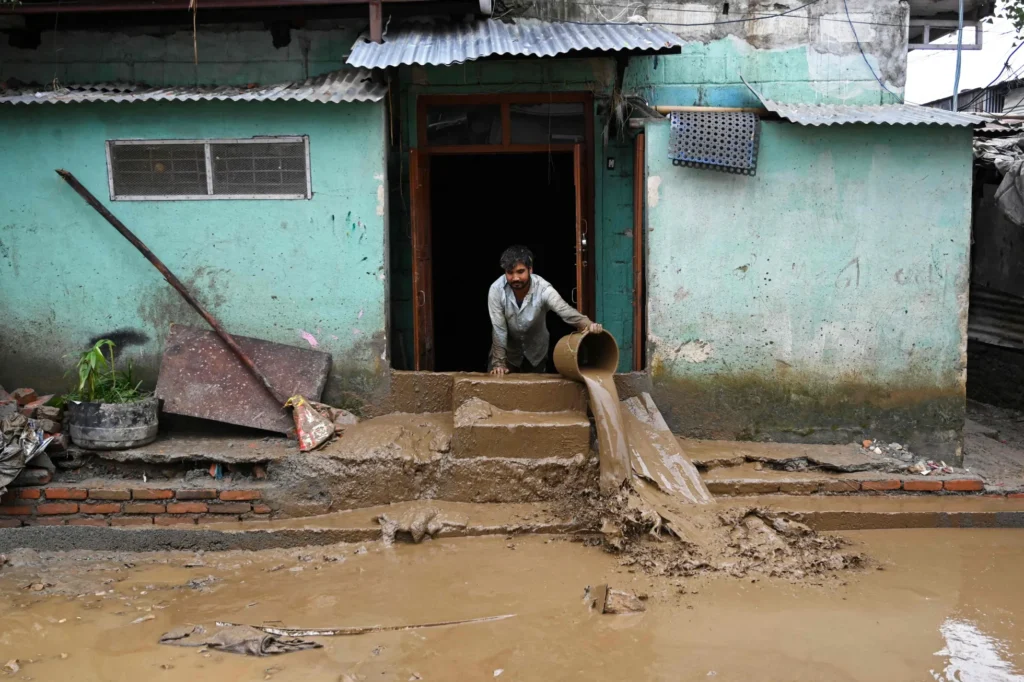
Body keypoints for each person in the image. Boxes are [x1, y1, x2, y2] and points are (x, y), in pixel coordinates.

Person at [488, 245, 602, 376]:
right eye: (510, 272)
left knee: (535, 393)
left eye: (520, 272)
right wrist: (499, 363)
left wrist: (587, 325)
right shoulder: (496, 290)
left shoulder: (543, 289)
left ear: (530, 269)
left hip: (536, 352)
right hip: (506, 354)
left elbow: (563, 309)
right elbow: (499, 329)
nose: (515, 278)